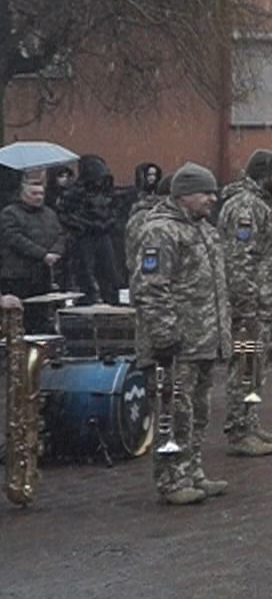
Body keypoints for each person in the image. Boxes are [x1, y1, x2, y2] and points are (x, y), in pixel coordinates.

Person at [132, 162, 232, 506]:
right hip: (175, 346)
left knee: (197, 414)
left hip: (203, 341)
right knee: (173, 414)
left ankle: (192, 470)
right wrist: (164, 336)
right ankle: (171, 479)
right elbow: (150, 288)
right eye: (206, 192)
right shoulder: (160, 232)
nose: (212, 199)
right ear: (184, 195)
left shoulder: (203, 229)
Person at [218, 149, 272, 457]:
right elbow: (239, 260)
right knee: (245, 366)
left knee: (255, 367)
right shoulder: (245, 208)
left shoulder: (262, 206)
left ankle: (250, 423)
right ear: (264, 175)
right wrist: (246, 306)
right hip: (248, 309)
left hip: (260, 307)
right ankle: (238, 431)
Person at [0, 171, 64, 333]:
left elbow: (61, 234)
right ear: (22, 194)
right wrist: (42, 254)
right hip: (17, 276)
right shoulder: (10, 213)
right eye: (34, 193)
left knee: (41, 316)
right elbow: (15, 239)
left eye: (41, 193)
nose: (38, 197)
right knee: (21, 318)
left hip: (43, 275)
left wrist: (56, 252)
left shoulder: (49, 214)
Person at [57, 153, 119, 306]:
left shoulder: (105, 191)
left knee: (108, 271)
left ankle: (110, 298)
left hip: (102, 234)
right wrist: (83, 226)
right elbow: (65, 215)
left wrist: (107, 223)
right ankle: (87, 298)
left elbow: (114, 210)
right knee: (85, 271)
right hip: (85, 236)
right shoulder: (74, 193)